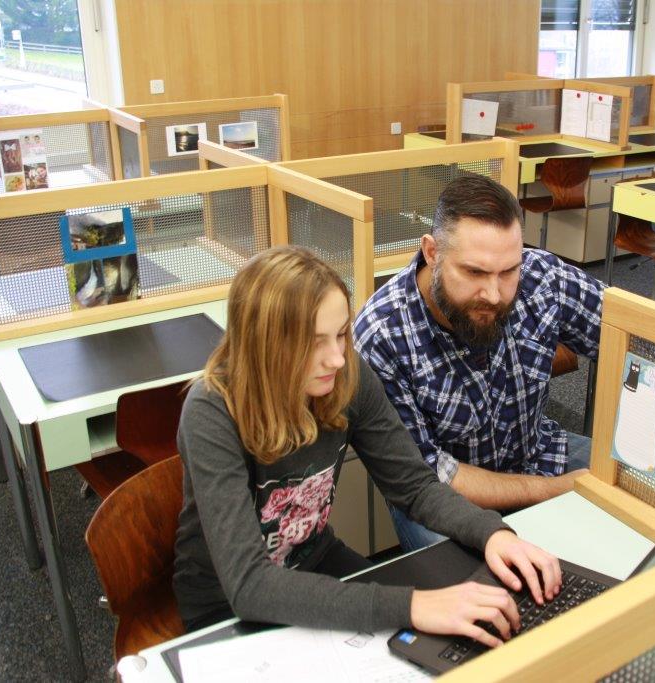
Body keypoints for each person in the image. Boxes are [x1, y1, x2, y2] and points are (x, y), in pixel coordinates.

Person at [173, 245, 564, 648]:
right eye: (314, 342)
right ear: (265, 346)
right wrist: (412, 606)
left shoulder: (346, 378)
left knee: (438, 646)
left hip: (314, 558)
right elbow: (250, 585)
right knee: (411, 624)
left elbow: (415, 486)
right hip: (224, 601)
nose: (337, 359)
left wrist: (493, 534)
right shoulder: (212, 409)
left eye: (341, 334)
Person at [354, 175, 604, 551]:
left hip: (538, 452)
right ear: (432, 252)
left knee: (646, 494)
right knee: (482, 596)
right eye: (474, 272)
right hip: (446, 497)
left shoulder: (542, 277)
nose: (494, 294)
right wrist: (550, 491)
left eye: (508, 272)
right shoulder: (382, 335)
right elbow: (429, 473)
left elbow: (633, 334)